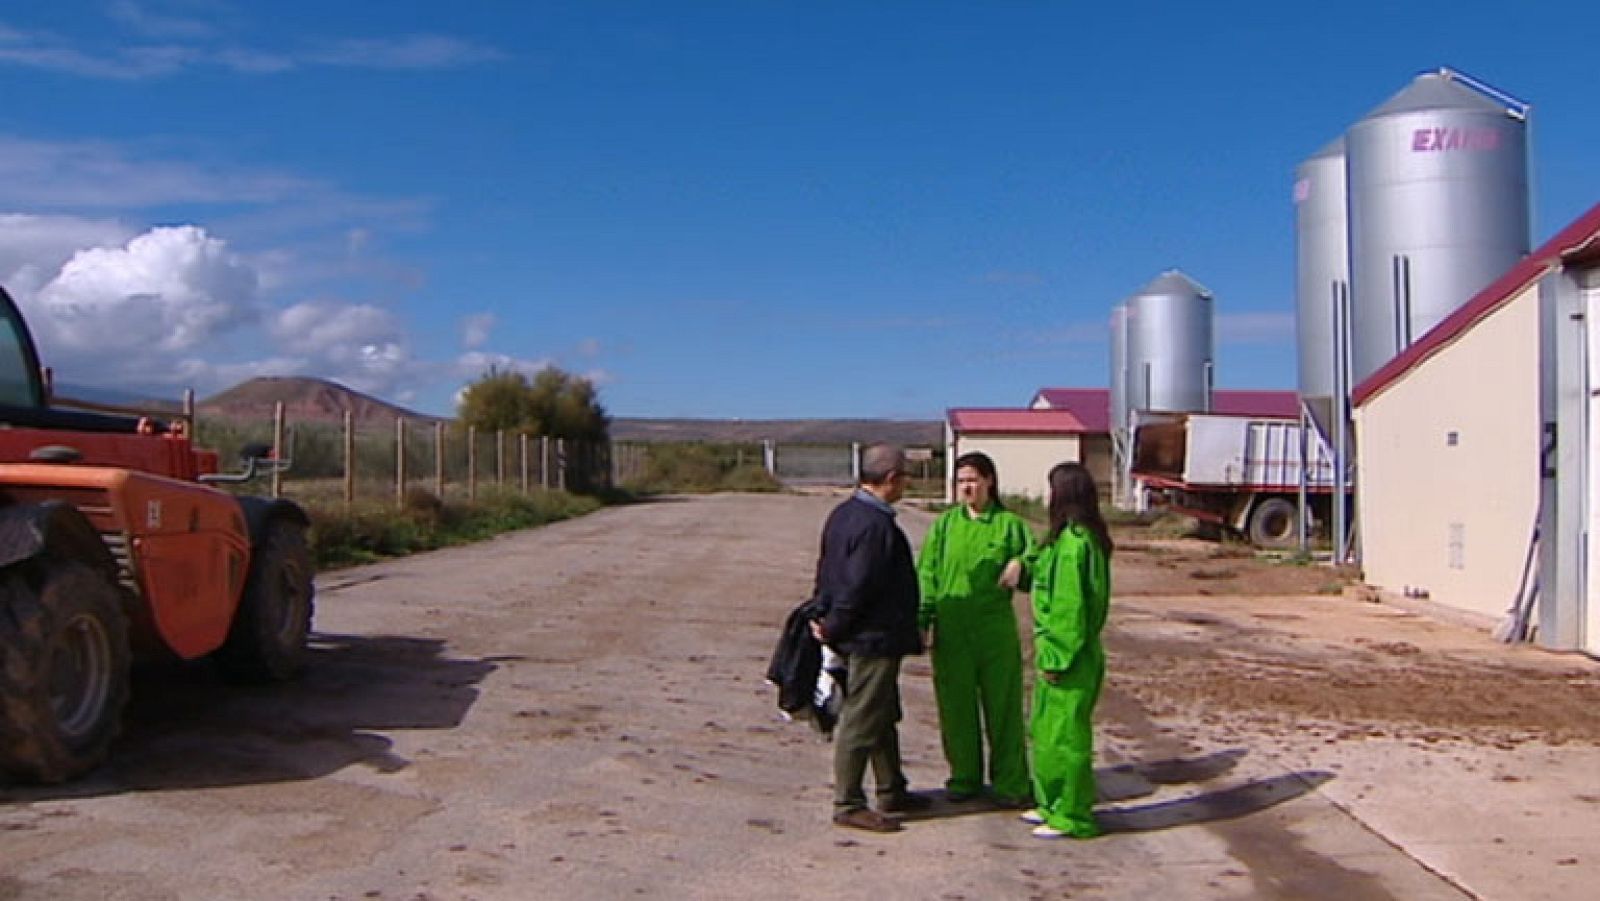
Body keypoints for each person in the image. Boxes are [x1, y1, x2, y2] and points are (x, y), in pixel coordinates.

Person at [810, 444, 929, 833]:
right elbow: (857, 585)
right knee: (862, 719)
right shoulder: (875, 526)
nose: (906, 485)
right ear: (892, 479)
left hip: (864, 634)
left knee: (881, 714)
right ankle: (848, 802)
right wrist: (835, 625)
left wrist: (825, 616)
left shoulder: (844, 514)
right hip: (871, 638)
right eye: (905, 478)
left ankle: (893, 789)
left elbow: (827, 571)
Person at [915, 452, 1034, 807]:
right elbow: (927, 574)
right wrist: (923, 619)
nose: (967, 486)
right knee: (956, 707)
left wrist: (1021, 563)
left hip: (994, 631)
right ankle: (964, 777)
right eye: (961, 480)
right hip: (952, 630)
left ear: (989, 482)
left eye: (973, 479)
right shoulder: (944, 526)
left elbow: (1039, 561)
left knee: (1004, 708)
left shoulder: (1010, 526)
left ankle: (1011, 782)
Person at [1021, 461, 1113, 839]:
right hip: (1065, 652)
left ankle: (1071, 813)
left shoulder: (1076, 545)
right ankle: (1052, 802)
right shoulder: (1067, 541)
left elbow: (1069, 608)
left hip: (1069, 656)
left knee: (1066, 738)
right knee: (1047, 732)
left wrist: (1057, 657)